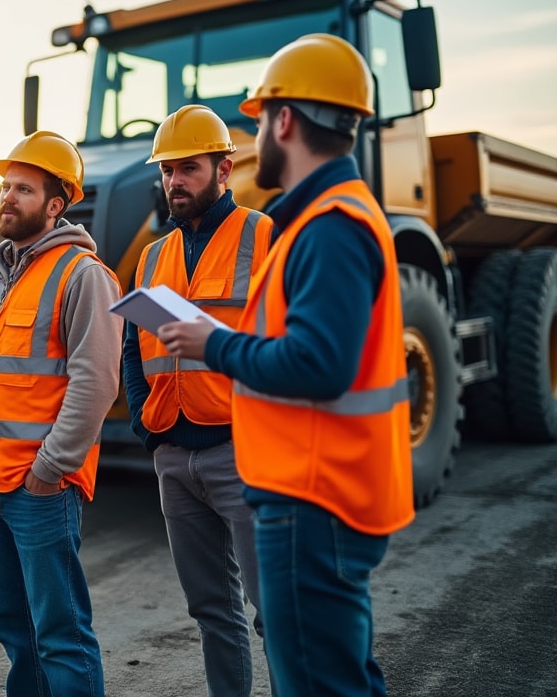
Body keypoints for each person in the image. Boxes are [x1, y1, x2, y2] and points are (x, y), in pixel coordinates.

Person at [158, 34, 415, 697]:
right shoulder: (321, 219)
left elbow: (318, 363)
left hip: (314, 499)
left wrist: (213, 345)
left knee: (319, 682)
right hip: (315, 492)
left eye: (258, 120)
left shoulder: (328, 226)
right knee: (338, 675)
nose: (255, 140)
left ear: (287, 121)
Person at [0, 131, 123, 697]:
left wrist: (51, 468)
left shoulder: (82, 274)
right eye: (5, 187)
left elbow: (97, 382)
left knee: (60, 635)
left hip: (38, 488)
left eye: (23, 188)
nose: (7, 198)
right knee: (14, 632)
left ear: (55, 204)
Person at [123, 105, 273, 697]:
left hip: (245, 454)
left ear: (224, 169)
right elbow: (136, 349)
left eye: (188, 168)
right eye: (167, 171)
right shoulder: (153, 257)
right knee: (211, 610)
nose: (175, 181)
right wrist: (144, 423)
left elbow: (288, 340)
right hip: (174, 459)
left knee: (275, 613)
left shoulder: (264, 236)